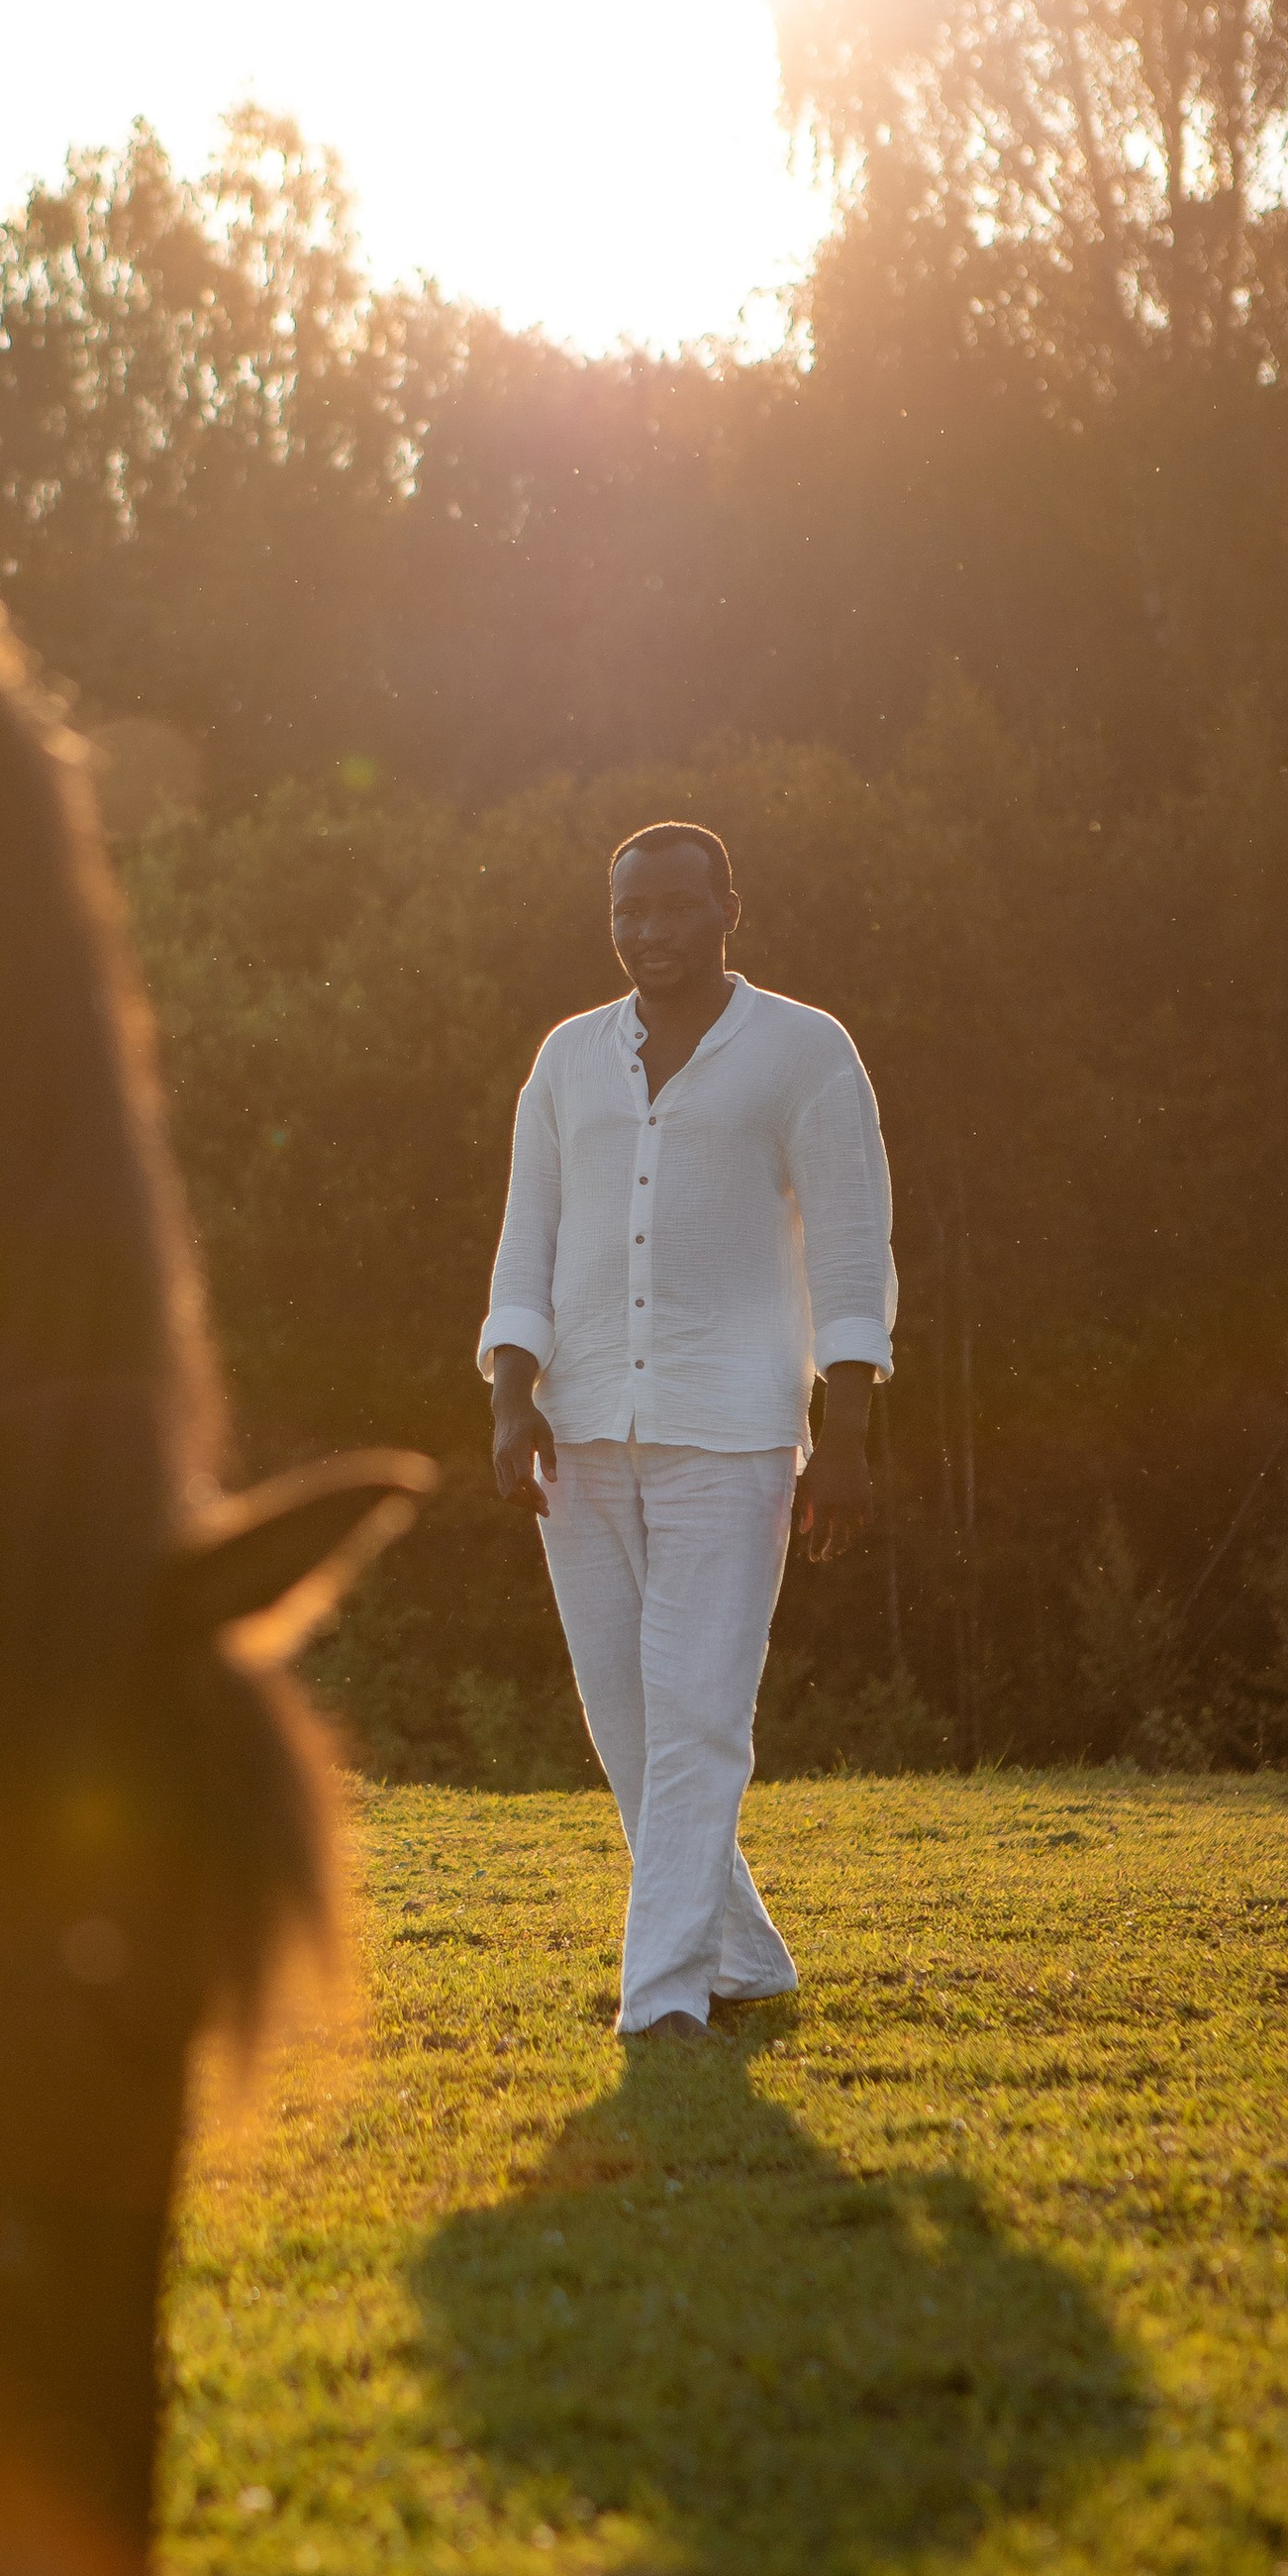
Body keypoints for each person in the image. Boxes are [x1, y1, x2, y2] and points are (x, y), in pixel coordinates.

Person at [479, 822, 895, 2043]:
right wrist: (512, 1391)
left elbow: (852, 1248)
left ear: (727, 908)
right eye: (628, 910)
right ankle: (746, 1957)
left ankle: (661, 1996)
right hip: (580, 1424)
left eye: (672, 907)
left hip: (735, 1430)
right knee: (626, 1721)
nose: (648, 932)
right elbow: (528, 1235)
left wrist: (849, 1430)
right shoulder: (564, 1059)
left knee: (700, 1711)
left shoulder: (805, 1051)